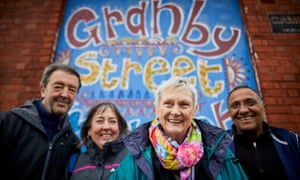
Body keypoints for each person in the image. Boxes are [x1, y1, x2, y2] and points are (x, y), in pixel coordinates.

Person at [110, 76, 247, 180]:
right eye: (168, 104)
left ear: (194, 110)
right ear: (157, 109)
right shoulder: (138, 154)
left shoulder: (218, 151)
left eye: (184, 105)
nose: (175, 112)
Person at [0, 63, 82, 180]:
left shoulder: (73, 143)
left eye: (72, 90)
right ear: (43, 90)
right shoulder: (8, 122)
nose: (65, 94)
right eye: (58, 87)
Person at [227, 85, 300, 180]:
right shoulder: (219, 148)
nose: (243, 110)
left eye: (250, 103)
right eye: (235, 105)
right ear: (229, 113)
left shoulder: (291, 141)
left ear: (263, 107)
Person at [69, 102, 130, 180]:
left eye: (112, 121)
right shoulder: (75, 161)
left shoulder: (132, 159)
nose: (106, 127)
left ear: (119, 129)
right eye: (100, 121)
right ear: (89, 130)